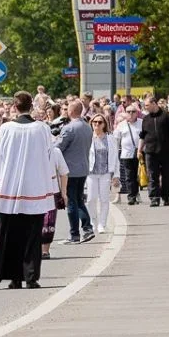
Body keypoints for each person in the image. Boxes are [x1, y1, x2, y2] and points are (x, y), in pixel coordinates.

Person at [0, 91, 57, 289]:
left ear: (14, 107)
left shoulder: (6, 129)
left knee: (12, 234)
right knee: (32, 234)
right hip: (35, 187)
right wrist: (51, 186)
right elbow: (49, 157)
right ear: (31, 107)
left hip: (10, 188)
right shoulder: (42, 128)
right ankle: (31, 276)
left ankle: (15, 277)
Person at [57, 100, 95, 244]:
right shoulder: (87, 127)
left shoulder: (69, 128)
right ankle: (87, 228)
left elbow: (59, 147)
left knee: (71, 201)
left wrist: (52, 141)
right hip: (83, 168)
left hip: (70, 170)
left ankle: (75, 234)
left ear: (71, 111)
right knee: (79, 200)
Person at [138, 96, 169, 207]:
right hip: (150, 152)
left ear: (154, 103)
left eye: (146, 105)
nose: (145, 107)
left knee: (167, 175)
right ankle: (154, 198)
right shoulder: (146, 119)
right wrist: (139, 150)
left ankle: (165, 196)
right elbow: (142, 136)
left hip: (166, 151)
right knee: (152, 175)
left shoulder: (167, 116)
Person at [87, 115, 120, 234]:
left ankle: (102, 224)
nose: (97, 124)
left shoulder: (110, 139)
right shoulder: (88, 137)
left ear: (104, 124)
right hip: (91, 172)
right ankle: (93, 221)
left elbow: (115, 158)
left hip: (105, 172)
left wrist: (116, 175)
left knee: (104, 199)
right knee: (90, 199)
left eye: (100, 122)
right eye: (94, 122)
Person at [42, 147, 69, 260]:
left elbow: (64, 173)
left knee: (49, 222)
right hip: (32, 192)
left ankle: (45, 250)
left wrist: (63, 192)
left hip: (52, 192)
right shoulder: (28, 149)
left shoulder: (55, 151)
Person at [114, 104, 143, 205]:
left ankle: (136, 193)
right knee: (129, 176)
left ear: (137, 113)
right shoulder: (121, 125)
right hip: (126, 154)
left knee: (138, 175)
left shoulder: (141, 123)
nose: (131, 114)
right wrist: (115, 153)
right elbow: (116, 140)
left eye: (133, 111)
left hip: (140, 153)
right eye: (128, 111)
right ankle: (131, 197)